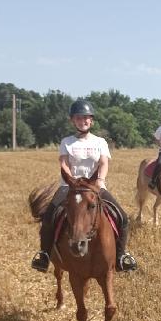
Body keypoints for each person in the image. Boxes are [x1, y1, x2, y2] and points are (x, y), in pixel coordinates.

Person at [31, 99, 138, 273]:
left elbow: (103, 163)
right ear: (73, 121)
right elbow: (64, 164)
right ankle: (44, 255)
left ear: (92, 120)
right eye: (79, 118)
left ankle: (121, 256)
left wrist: (100, 181)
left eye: (86, 118)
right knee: (49, 217)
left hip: (95, 186)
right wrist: (72, 181)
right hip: (70, 186)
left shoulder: (100, 142)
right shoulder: (67, 142)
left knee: (123, 218)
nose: (83, 121)